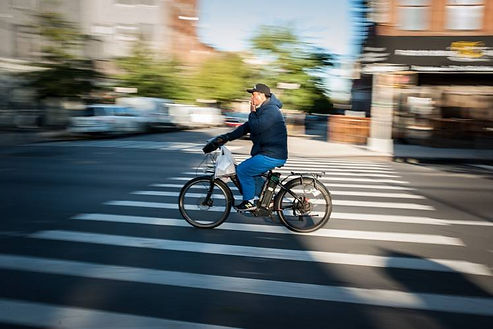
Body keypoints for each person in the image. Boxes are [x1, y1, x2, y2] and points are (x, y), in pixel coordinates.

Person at [203, 83, 288, 211]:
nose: (251, 98)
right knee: (252, 173)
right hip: (267, 153)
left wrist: (252, 111)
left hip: (272, 154)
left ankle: (249, 202)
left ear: (261, 95)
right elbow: (245, 128)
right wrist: (224, 138)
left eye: (253, 95)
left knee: (243, 170)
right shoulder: (264, 110)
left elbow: (256, 126)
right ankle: (268, 200)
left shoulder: (271, 110)